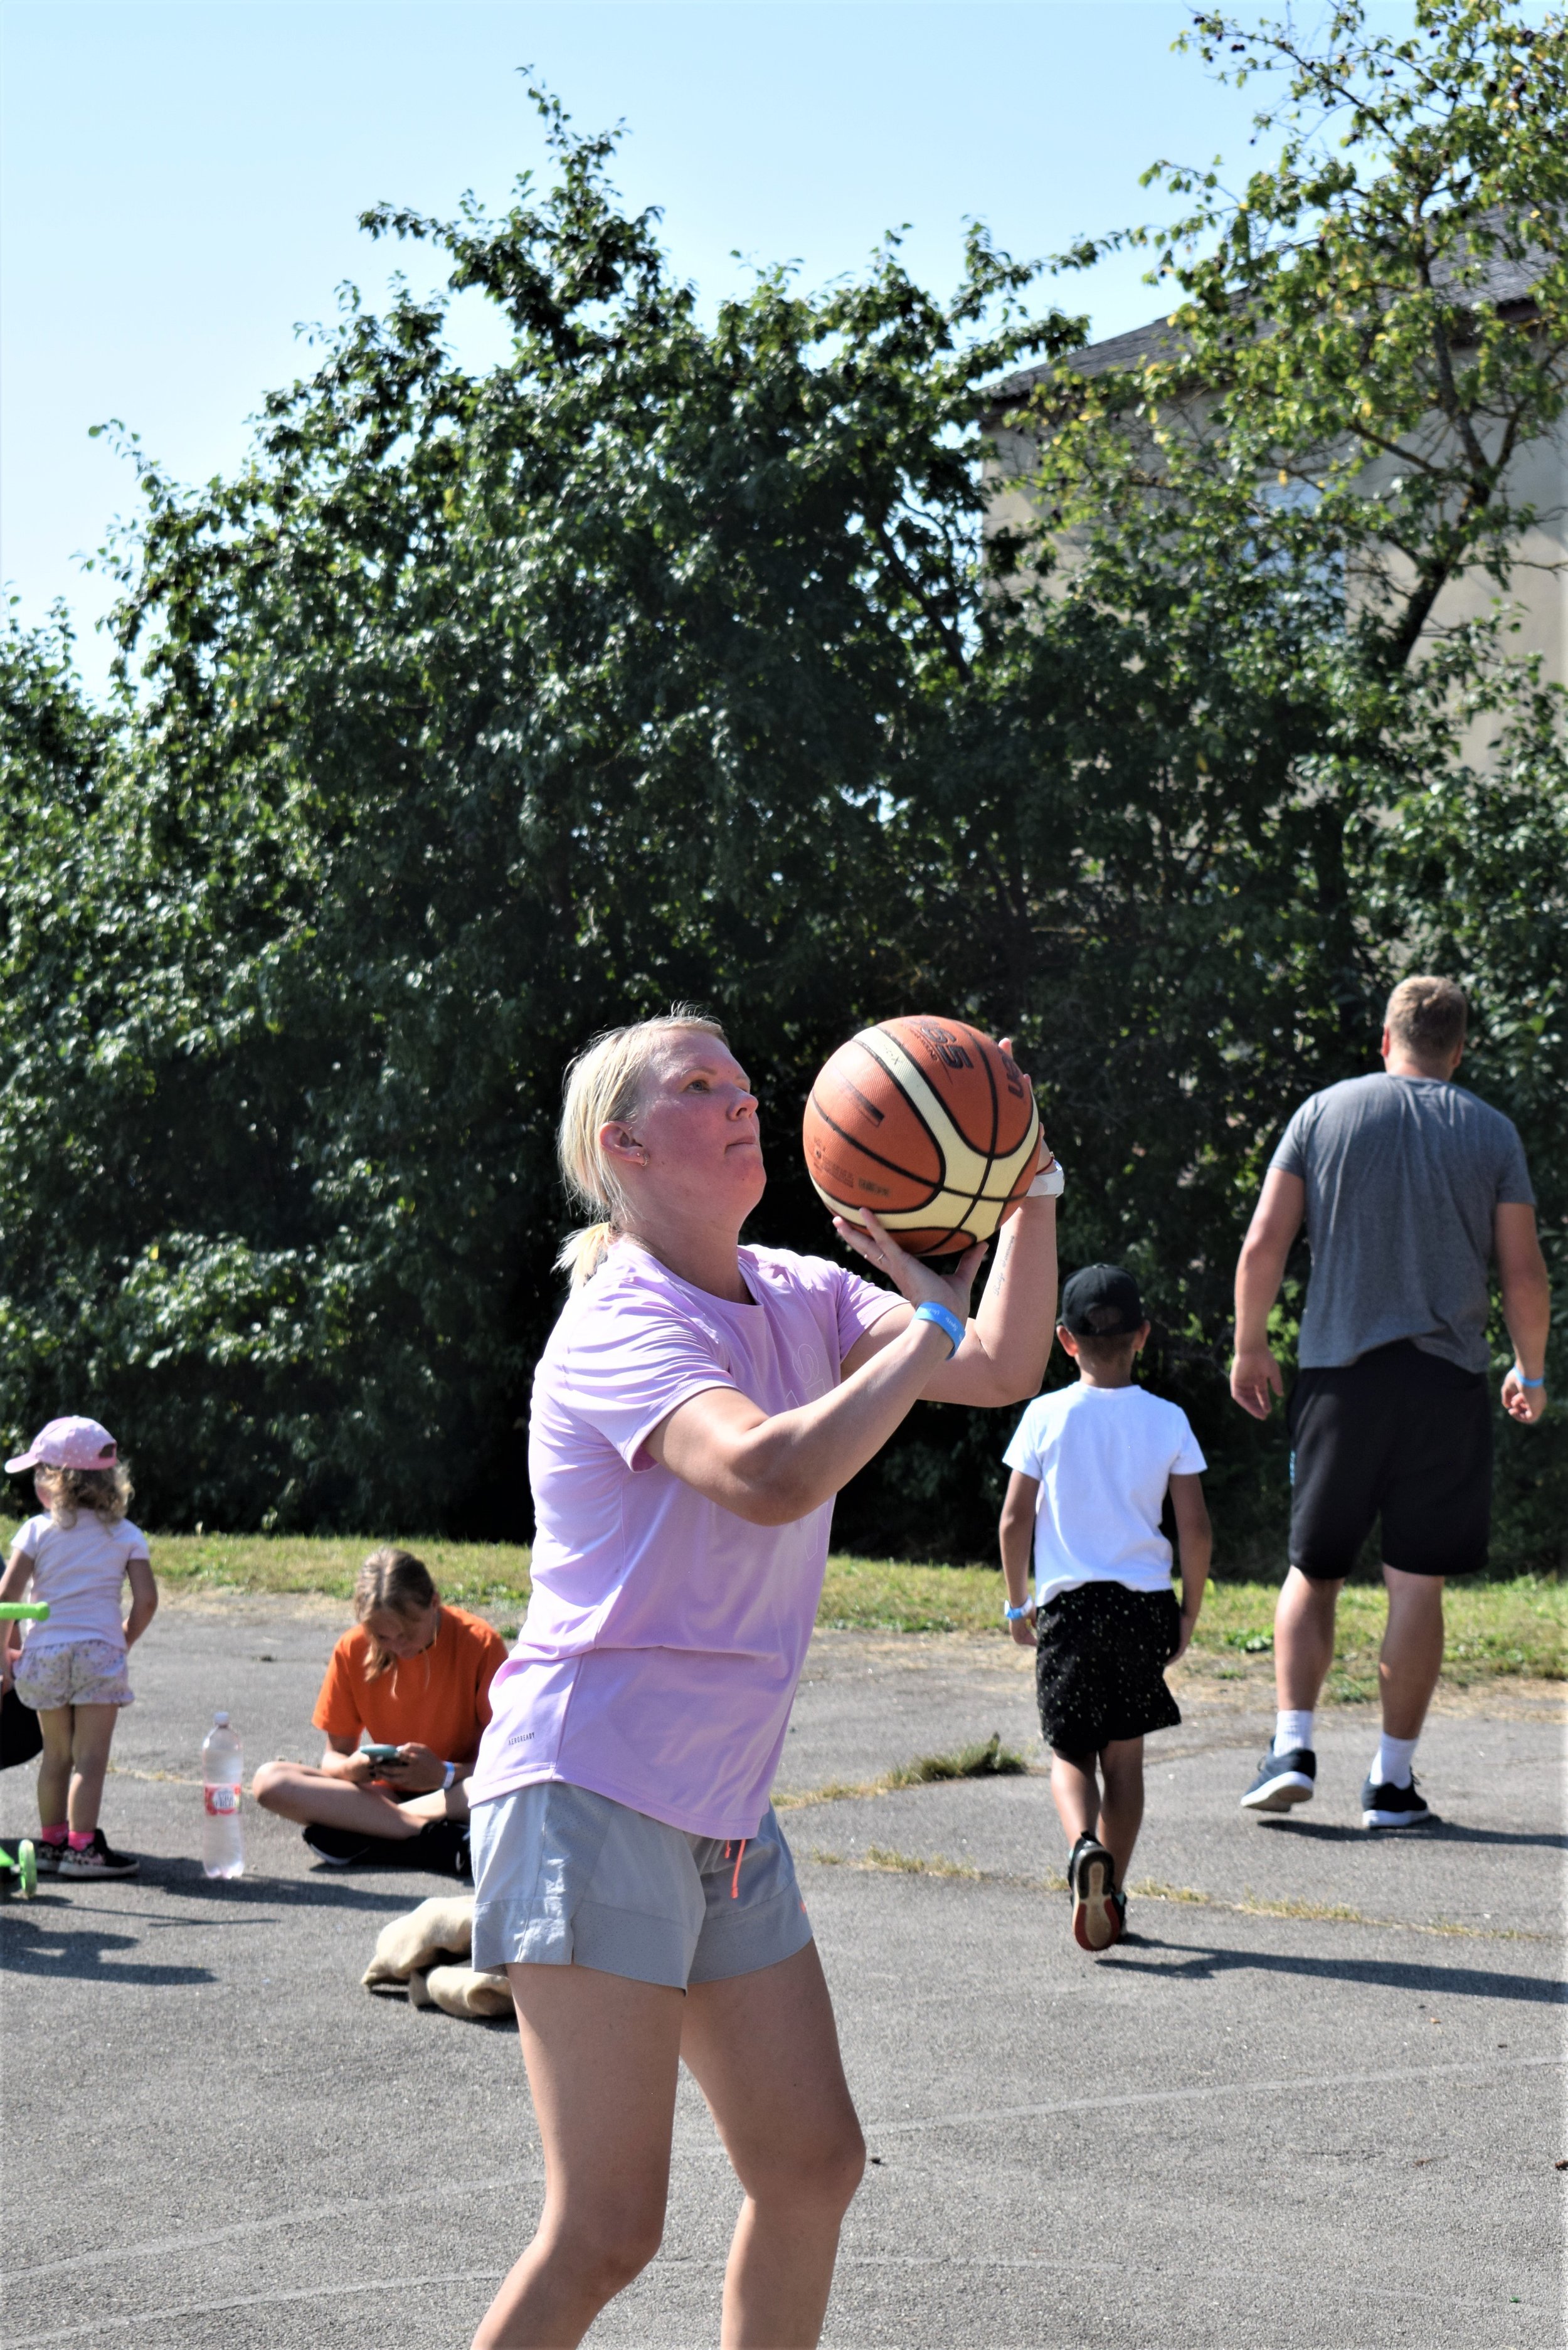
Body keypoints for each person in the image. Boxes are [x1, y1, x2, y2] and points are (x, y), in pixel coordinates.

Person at [463, 1007, 1059, 2350]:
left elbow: (1001, 1364)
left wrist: (1031, 1181)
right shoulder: (622, 1319)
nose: (742, 1099)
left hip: (722, 1808)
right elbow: (768, 1473)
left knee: (810, 2163)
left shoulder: (797, 1289)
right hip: (590, 1787)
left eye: (742, 1081)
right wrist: (928, 1321)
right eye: (700, 1084)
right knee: (606, 2227)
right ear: (622, 1146)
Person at [1231, 975, 1550, 1829]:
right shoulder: (1490, 1130)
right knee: (1416, 1584)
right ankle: (1391, 1783)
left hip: (1340, 1376)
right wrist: (1531, 1368)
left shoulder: (1324, 1113)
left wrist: (1250, 1343)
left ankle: (1291, 1747)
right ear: (1459, 1049)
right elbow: (1523, 1272)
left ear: (1385, 1040)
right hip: (1445, 1382)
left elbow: (1264, 1242)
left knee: (1313, 1568)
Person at [999, 1264, 1210, 1952]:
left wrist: (1018, 1605)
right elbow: (1196, 1530)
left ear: (1066, 1340)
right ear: (1142, 1335)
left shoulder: (1044, 1416)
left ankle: (1082, 1847)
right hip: (1142, 1609)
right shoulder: (1168, 1420)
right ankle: (1111, 1889)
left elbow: (1014, 1520)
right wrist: (1188, 1611)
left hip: (1069, 1610)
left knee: (1070, 1752)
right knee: (1124, 1762)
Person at [252, 1547, 507, 1872]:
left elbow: (512, 1760)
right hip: (383, 1796)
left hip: (457, 1794)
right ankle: (431, 1838)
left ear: (434, 1603)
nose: (398, 1645)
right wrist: (353, 1768)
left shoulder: (481, 1643)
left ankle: (374, 1834)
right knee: (270, 1781)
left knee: (507, 1789)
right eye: (383, 1637)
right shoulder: (352, 1648)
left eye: (407, 1633)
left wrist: (444, 1773)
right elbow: (334, 1757)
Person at [0, 1416, 157, 1880]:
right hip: (98, 1654)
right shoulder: (126, 1534)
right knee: (90, 1758)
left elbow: (7, 1597)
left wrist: (3, 1659)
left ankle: (51, 1843)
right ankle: (83, 1848)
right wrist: (124, 1637)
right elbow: (147, 1600)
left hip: (44, 1654)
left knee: (56, 1755)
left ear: (55, 1479)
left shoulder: (36, 1530)